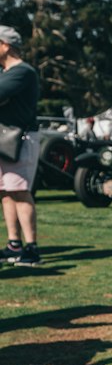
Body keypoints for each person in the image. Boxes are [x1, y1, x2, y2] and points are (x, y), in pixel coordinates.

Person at [0, 24, 42, 266]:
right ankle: (13, 245)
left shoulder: (22, 72)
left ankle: (31, 248)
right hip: (6, 139)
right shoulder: (7, 72)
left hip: (20, 139)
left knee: (20, 190)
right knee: (6, 192)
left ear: (5, 45)